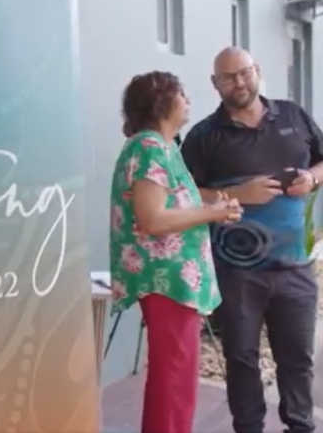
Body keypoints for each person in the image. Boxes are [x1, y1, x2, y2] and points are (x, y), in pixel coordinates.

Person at [180, 47, 323, 433]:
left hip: (294, 267)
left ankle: (300, 426)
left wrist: (312, 178)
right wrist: (236, 194)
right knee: (241, 358)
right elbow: (182, 192)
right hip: (236, 273)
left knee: (298, 358)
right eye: (228, 77)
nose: (239, 82)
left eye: (245, 73)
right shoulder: (204, 135)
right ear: (215, 84)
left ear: (257, 71)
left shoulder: (292, 115)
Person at [109, 71, 242, 433]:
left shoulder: (162, 147)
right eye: (182, 94)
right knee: (174, 381)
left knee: (176, 379)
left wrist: (216, 208)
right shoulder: (150, 146)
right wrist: (212, 212)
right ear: (163, 103)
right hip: (166, 282)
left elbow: (174, 209)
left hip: (175, 282)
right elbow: (152, 218)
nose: (188, 101)